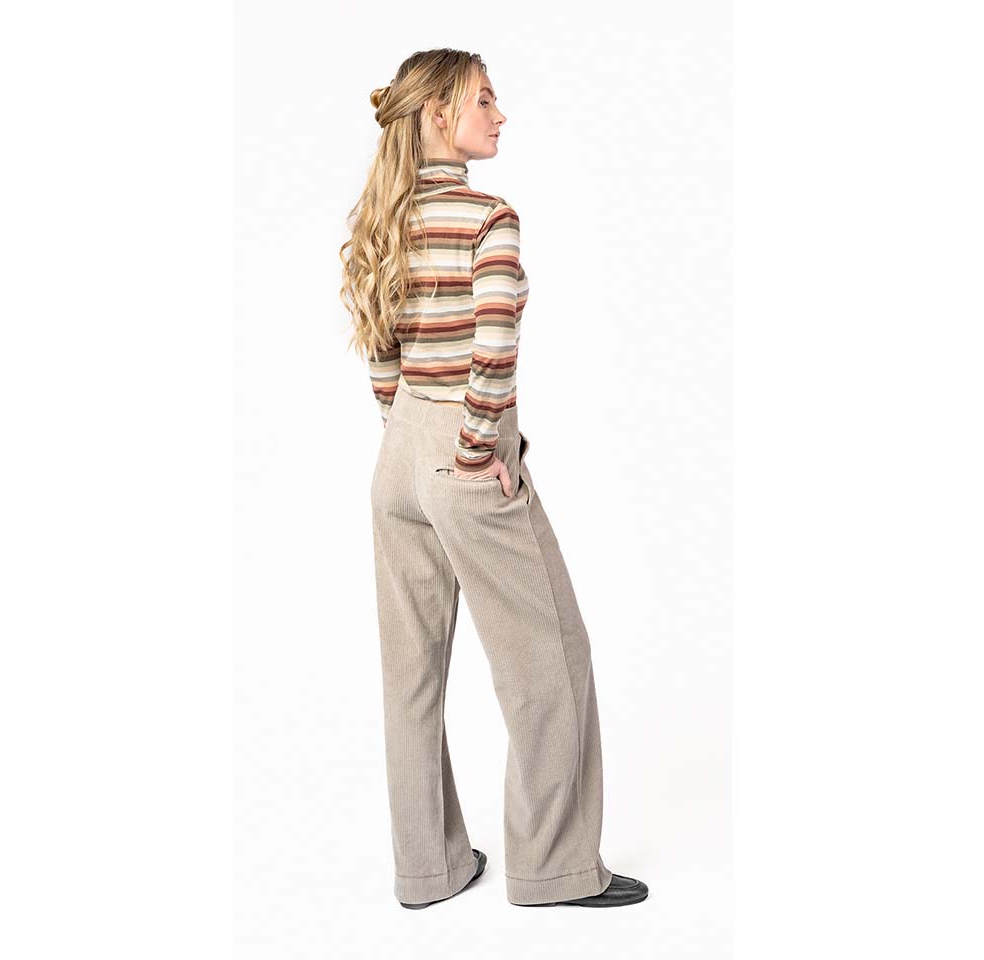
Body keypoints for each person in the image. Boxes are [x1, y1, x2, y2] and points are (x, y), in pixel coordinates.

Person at [338, 48, 648, 910]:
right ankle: (554, 870)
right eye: (484, 99)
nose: (500, 113)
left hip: (400, 456)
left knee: (409, 675)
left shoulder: (385, 219)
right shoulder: (489, 218)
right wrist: (477, 444)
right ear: (439, 114)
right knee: (551, 661)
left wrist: (410, 431)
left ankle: (428, 870)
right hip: (466, 452)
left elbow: (381, 353)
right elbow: (495, 344)